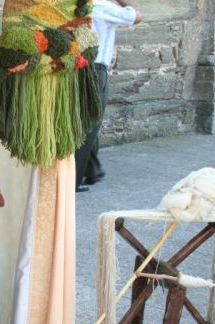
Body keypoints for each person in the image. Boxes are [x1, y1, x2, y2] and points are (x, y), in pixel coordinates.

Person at [75, 0, 142, 192]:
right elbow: (137, 16)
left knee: (87, 120)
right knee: (89, 124)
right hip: (95, 69)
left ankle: (92, 169)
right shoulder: (102, 7)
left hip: (75, 67)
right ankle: (73, 179)